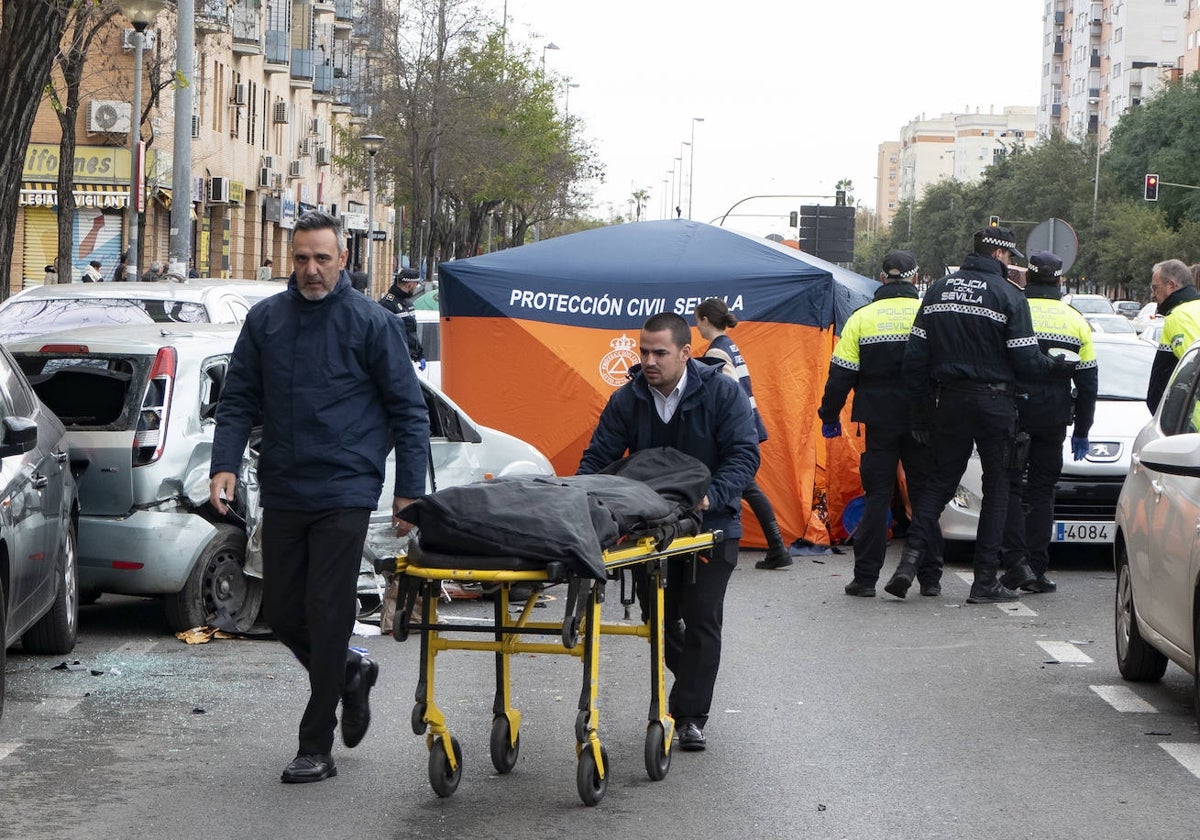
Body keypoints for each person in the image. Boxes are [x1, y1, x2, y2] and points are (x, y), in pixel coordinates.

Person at [208, 210, 430, 784]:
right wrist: (224, 464)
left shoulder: (370, 322)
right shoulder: (266, 321)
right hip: (284, 482)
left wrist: (409, 492)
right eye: (302, 258)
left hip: (347, 485)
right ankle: (351, 671)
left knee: (328, 610)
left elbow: (409, 409)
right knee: (282, 610)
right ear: (292, 258)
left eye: (322, 259)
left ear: (343, 259)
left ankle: (317, 744)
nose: (311, 269)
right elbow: (237, 400)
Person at [577, 312, 760, 752]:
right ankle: (688, 686)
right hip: (650, 529)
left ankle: (690, 714)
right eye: (644, 351)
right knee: (658, 619)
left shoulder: (722, 393)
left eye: (660, 352)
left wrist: (710, 497)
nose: (650, 360)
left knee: (700, 618)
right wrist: (578, 499)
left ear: (685, 352)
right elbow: (599, 457)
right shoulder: (628, 399)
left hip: (712, 525)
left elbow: (743, 455)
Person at [882, 226, 1074, 604]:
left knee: (938, 484)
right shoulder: (1008, 295)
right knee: (998, 487)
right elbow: (1026, 360)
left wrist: (921, 413)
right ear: (1000, 256)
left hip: (948, 402)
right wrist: (1056, 368)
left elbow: (915, 360)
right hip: (994, 404)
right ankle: (985, 580)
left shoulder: (938, 290)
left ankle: (907, 565)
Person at [817, 250, 939, 597]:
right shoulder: (928, 315)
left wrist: (829, 415)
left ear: (883, 278)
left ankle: (865, 579)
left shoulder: (862, 318)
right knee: (924, 496)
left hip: (879, 420)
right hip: (924, 419)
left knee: (877, 497)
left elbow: (840, 374)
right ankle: (930, 577)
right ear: (915, 279)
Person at [998, 251, 1098, 595]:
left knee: (1009, 486)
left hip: (1013, 411)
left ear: (1028, 278)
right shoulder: (1074, 319)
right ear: (1059, 280)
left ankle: (1016, 563)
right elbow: (1088, 382)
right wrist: (1082, 429)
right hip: (1053, 417)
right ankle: (1037, 569)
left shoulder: (1013, 309)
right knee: (1042, 492)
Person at [693, 297, 791, 570]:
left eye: (696, 319)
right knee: (749, 487)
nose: (695, 325)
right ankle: (777, 547)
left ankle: (777, 548)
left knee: (746, 486)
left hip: (736, 429)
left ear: (705, 320)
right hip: (749, 423)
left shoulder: (716, 353)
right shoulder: (730, 346)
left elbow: (724, 398)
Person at [1146, 258, 1200, 412]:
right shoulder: (1193, 309)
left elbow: (1195, 365)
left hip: (1188, 422)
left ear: (1171, 285)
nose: (1153, 295)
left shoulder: (1180, 315)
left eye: (1155, 288)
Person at [379, 268, 425, 363]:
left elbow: (411, 333)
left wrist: (420, 354)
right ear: (410, 285)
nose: (416, 288)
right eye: (416, 285)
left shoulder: (407, 303)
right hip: (394, 361)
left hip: (407, 359)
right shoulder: (387, 304)